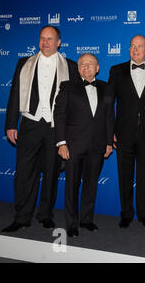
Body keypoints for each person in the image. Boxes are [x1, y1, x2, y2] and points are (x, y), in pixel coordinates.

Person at [2, 26, 80, 232]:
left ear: (59, 42)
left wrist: (70, 132)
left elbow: (74, 102)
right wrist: (11, 123)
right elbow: (15, 94)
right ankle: (22, 216)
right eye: (42, 38)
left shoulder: (71, 66)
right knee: (25, 172)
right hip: (30, 123)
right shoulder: (24, 63)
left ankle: (45, 214)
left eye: (49, 39)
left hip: (56, 127)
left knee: (52, 172)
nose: (45, 42)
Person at [108, 35, 145, 229]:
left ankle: (143, 212)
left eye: (139, 46)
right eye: (132, 46)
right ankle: (126, 213)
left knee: (144, 175)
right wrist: (110, 131)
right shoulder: (116, 71)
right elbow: (109, 104)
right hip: (123, 133)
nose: (135, 49)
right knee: (125, 175)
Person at [54, 53, 114, 237]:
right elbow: (60, 115)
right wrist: (61, 143)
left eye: (90, 64)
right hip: (73, 146)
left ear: (97, 68)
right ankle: (71, 224)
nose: (86, 67)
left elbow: (109, 117)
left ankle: (86, 219)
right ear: (78, 68)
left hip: (97, 145)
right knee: (72, 185)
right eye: (82, 64)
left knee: (91, 185)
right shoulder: (67, 86)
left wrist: (109, 142)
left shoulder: (106, 87)